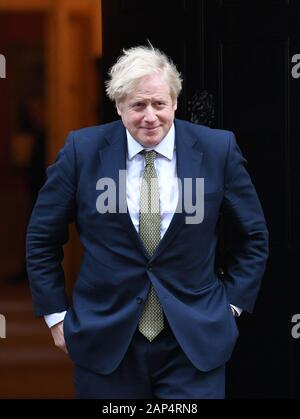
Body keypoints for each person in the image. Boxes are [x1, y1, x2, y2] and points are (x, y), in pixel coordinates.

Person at [26, 45, 269, 399]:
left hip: (194, 341)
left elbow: (253, 236)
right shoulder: (83, 151)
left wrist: (229, 305)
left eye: (159, 103)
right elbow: (41, 237)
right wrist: (55, 317)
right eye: (138, 105)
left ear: (174, 101)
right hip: (106, 341)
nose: (150, 116)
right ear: (119, 105)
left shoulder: (218, 150)